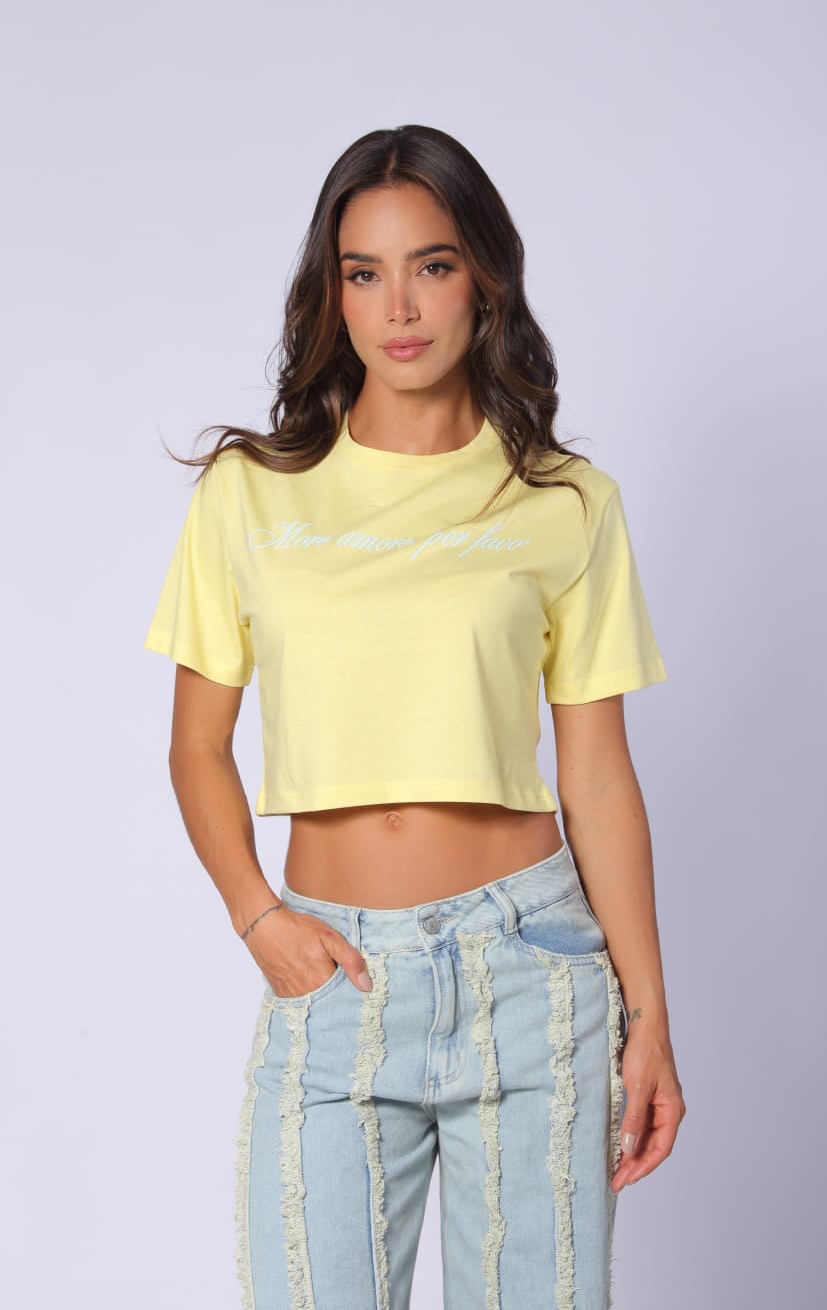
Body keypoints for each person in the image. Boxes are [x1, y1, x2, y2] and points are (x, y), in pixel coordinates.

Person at [144, 124, 686, 1310]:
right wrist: (257, 914)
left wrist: (646, 1016)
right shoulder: (251, 495)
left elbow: (598, 777)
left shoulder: (562, 500)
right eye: (363, 271)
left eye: (431, 265)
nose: (398, 307)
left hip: (532, 970)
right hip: (332, 979)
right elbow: (196, 747)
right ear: (331, 291)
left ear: (481, 277)